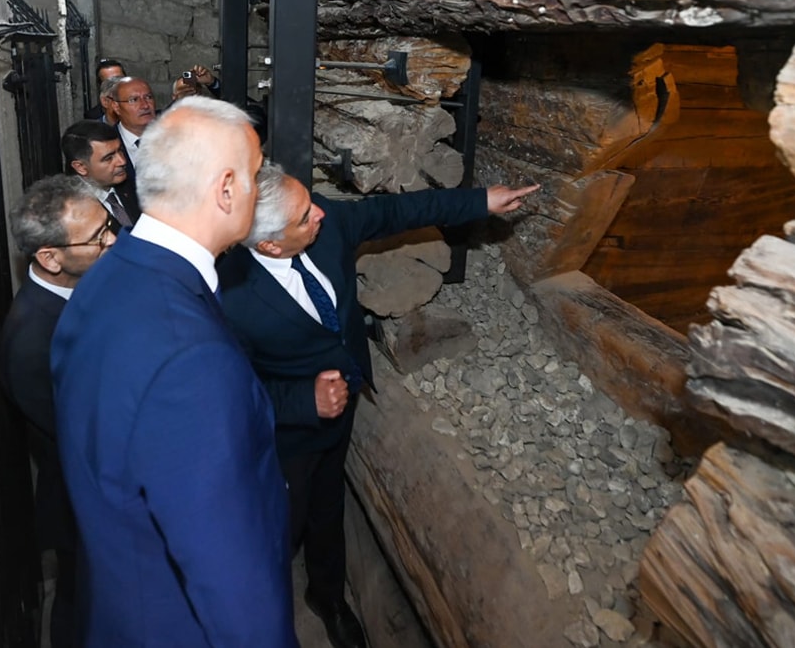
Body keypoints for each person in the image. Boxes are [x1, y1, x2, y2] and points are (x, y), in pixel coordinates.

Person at [216, 163, 538, 648]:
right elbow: (229, 394)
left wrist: (479, 201)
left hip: (340, 413)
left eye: (310, 202)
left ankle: (327, 596)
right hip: (285, 438)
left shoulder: (328, 227)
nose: (320, 213)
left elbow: (396, 211)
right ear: (270, 246)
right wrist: (302, 400)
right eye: (305, 216)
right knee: (278, 527)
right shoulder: (229, 297)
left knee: (328, 505)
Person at [51, 97, 296, 646]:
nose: (260, 188)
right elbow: (229, 577)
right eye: (256, 173)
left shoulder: (108, 273)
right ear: (226, 188)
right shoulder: (191, 363)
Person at [0, 175, 116, 648]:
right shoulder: (31, 342)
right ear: (50, 258)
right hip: (85, 498)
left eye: (108, 226)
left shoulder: (80, 284)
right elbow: (81, 433)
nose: (113, 240)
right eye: (98, 237)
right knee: (82, 604)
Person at [61, 120, 139, 227]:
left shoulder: (134, 186)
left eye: (120, 151)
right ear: (81, 167)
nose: (122, 161)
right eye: (109, 158)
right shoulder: (69, 211)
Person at [110, 76, 157, 175]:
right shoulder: (106, 143)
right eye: (134, 100)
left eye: (148, 97)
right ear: (116, 107)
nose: (145, 105)